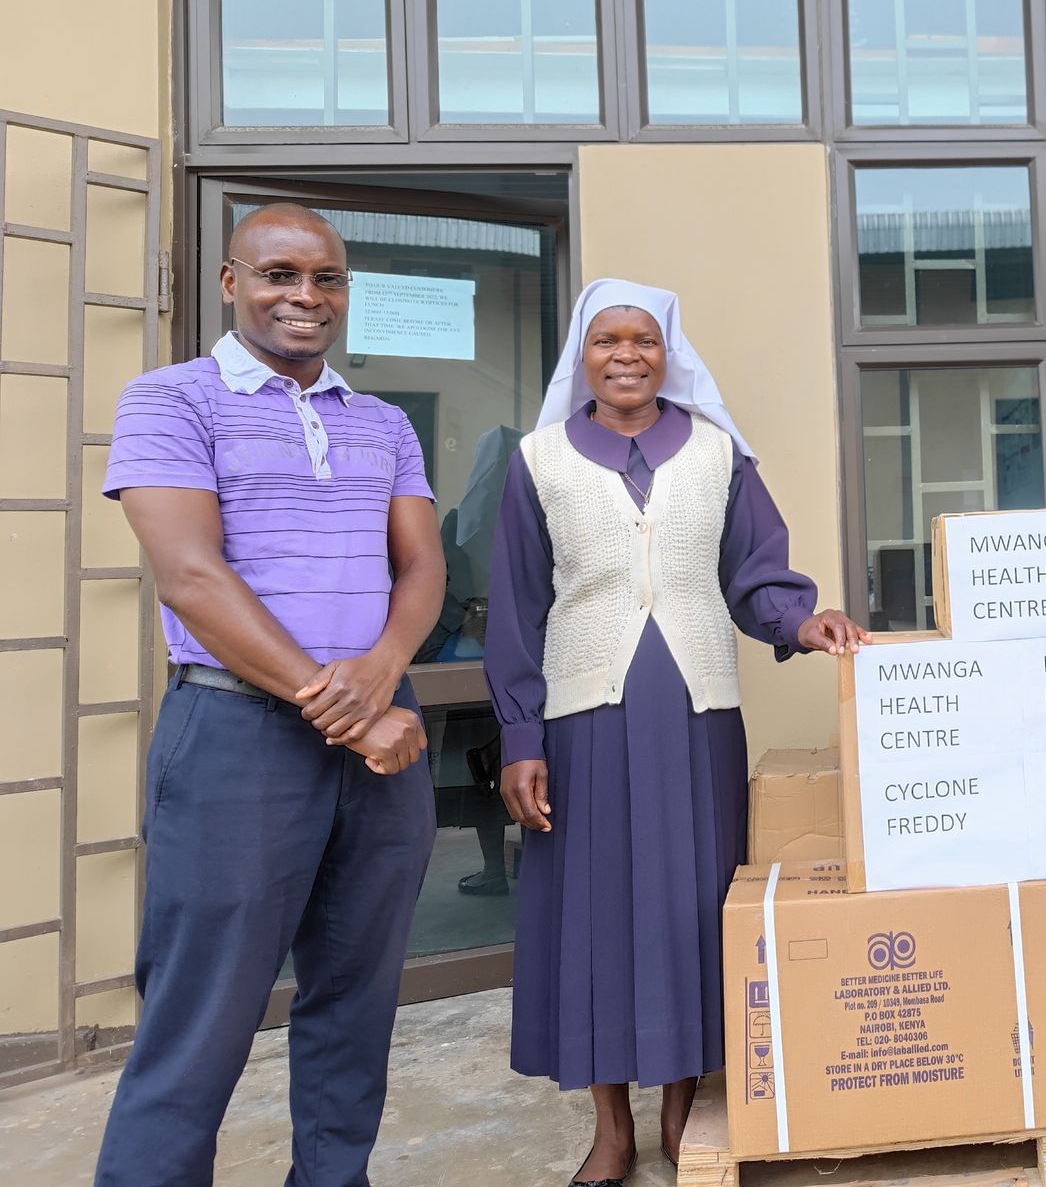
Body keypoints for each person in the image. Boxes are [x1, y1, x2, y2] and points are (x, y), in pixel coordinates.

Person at [485, 279, 871, 1185]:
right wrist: (520, 738)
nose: (626, 355)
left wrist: (801, 619)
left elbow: (756, 576)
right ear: (582, 355)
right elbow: (516, 607)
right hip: (581, 725)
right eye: (607, 340)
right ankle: (610, 1130)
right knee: (593, 918)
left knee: (691, 911)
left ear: (670, 354)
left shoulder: (717, 454)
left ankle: (681, 1113)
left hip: (698, 720)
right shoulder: (538, 461)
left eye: (645, 340)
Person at [93, 204, 442, 1186]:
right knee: (199, 1017)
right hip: (236, 734)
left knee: (356, 1007)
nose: (305, 296)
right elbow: (190, 578)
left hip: (382, 742)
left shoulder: (382, 423)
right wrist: (347, 707)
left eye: (326, 278)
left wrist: (382, 671)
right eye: (279, 273)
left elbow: (421, 568)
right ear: (230, 281)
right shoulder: (170, 400)